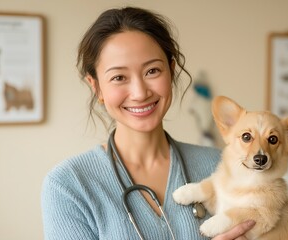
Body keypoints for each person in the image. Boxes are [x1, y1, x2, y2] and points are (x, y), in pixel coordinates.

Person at [41, 6, 255, 240]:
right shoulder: (68, 186)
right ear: (96, 87)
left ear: (171, 71)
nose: (140, 93)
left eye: (152, 71)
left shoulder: (223, 165)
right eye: (119, 77)